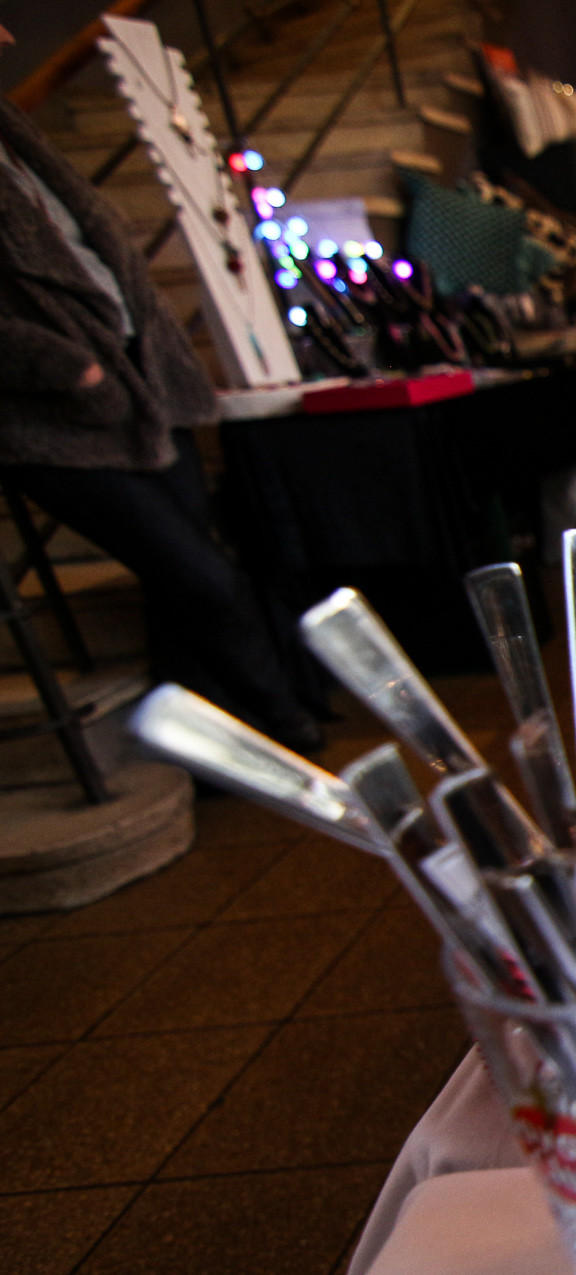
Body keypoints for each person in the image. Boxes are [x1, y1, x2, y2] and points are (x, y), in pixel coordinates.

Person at [0, 25, 323, 753]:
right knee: (200, 578)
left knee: (182, 580)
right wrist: (64, 368)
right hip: (55, 414)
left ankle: (207, 751)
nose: (10, 33)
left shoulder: (13, 130)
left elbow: (91, 250)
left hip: (143, 376)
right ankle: (283, 727)